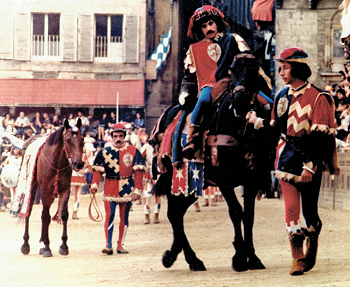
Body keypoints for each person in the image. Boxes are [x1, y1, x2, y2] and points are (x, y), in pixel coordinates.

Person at [247, 47, 339, 276]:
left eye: (285, 67)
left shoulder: (319, 97)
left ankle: (313, 244)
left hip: (308, 157)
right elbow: (275, 129)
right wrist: (257, 122)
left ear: (297, 68)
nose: (281, 71)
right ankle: (297, 257)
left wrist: (310, 165)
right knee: (290, 210)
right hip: (286, 156)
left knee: (310, 213)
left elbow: (320, 137)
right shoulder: (281, 96)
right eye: (281, 67)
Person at [180, 5, 249, 159]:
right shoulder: (194, 49)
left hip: (234, 81)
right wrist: (184, 92)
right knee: (203, 100)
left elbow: (246, 62)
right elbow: (189, 77)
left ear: (217, 23)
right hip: (209, 84)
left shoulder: (232, 39)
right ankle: (192, 139)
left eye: (211, 23)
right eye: (204, 26)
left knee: (266, 101)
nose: (208, 28)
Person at [90, 122, 145, 255]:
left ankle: (120, 244)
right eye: (115, 136)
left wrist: (138, 190)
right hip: (110, 187)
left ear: (124, 135)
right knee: (110, 215)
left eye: (121, 135)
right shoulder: (104, 152)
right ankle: (108, 244)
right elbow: (97, 171)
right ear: (112, 136)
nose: (118, 138)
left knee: (124, 217)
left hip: (127, 187)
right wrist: (94, 184)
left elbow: (138, 172)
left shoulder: (133, 151)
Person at [140, 140, 160, 224]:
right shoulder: (146, 147)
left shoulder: (162, 145)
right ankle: (146, 214)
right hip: (149, 171)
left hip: (159, 171)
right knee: (147, 195)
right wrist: (145, 166)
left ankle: (156, 215)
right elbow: (140, 158)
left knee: (157, 194)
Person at [71, 148, 92, 219]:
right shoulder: (70, 154)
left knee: (77, 195)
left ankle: (75, 212)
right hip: (69, 176)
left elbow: (89, 167)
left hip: (78, 176)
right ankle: (61, 212)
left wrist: (84, 171)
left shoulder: (83, 157)